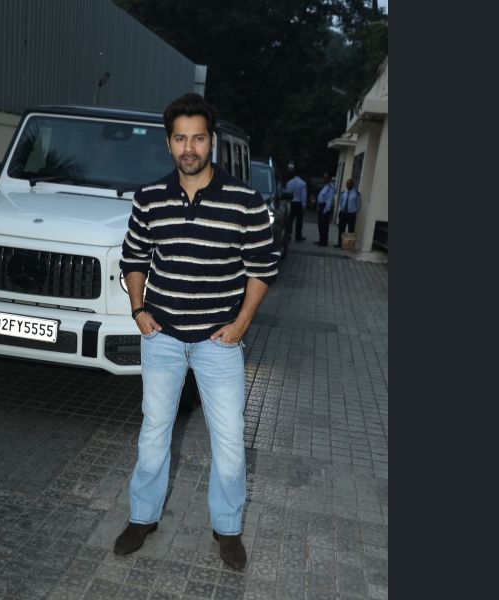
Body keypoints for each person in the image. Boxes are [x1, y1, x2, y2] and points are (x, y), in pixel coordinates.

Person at [116, 92, 278, 570]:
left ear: (212, 142)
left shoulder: (245, 200)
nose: (189, 148)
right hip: (162, 336)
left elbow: (263, 267)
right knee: (154, 431)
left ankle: (227, 528)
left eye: (198, 138)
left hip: (217, 342)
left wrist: (240, 324)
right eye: (181, 139)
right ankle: (142, 517)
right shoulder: (149, 198)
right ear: (169, 143)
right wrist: (138, 310)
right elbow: (133, 259)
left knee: (228, 437)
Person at [335, 178, 361, 248]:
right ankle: (340, 244)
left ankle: (349, 245)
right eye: (347, 183)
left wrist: (355, 213)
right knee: (341, 229)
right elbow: (340, 202)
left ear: (352, 185)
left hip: (351, 214)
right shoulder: (343, 193)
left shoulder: (356, 194)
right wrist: (342, 209)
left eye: (349, 183)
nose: (347, 185)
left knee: (350, 230)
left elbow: (358, 205)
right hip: (343, 213)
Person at [284, 165, 307, 241]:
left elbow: (286, 193)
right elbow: (304, 195)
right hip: (298, 204)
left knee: (289, 220)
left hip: (290, 203)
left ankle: (288, 235)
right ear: (300, 175)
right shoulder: (303, 183)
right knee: (299, 221)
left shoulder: (289, 183)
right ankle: (298, 236)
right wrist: (304, 206)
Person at [315, 173, 335, 246]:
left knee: (324, 225)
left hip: (325, 208)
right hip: (321, 207)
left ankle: (324, 242)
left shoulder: (330, 188)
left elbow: (329, 200)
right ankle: (321, 240)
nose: (324, 179)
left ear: (329, 179)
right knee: (320, 225)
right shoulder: (325, 186)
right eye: (323, 177)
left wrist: (325, 210)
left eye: (325, 178)